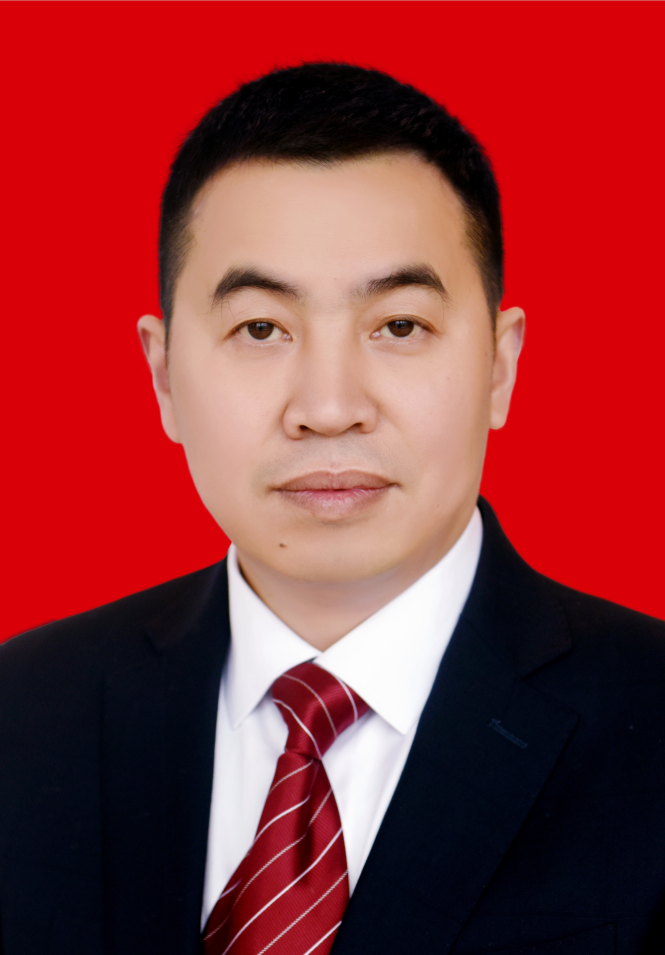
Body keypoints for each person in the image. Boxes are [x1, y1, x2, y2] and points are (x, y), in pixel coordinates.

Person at [0, 62, 664, 955]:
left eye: (399, 326)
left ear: (499, 366)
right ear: (162, 376)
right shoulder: (23, 714)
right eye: (260, 328)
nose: (328, 405)